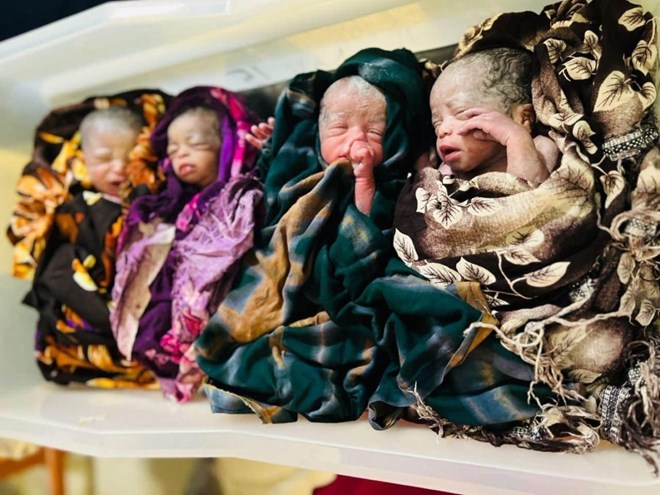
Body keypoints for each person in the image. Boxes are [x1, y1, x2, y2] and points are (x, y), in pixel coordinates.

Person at [111, 86, 262, 402]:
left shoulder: (242, 193)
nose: (181, 153)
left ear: (226, 144)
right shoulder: (165, 205)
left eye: (195, 144)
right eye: (174, 148)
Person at [26, 106, 155, 387]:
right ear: (82, 159)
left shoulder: (152, 201)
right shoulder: (74, 209)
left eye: (130, 157)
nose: (118, 167)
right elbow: (55, 269)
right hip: (91, 305)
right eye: (104, 158)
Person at [430, 47, 558, 185]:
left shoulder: (539, 147)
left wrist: (515, 138)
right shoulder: (447, 172)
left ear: (523, 118)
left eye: (461, 113)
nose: (442, 130)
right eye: (437, 124)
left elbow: (531, 190)